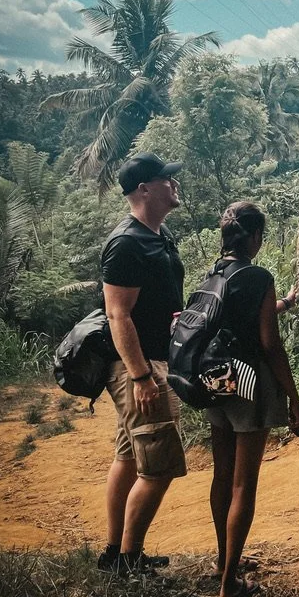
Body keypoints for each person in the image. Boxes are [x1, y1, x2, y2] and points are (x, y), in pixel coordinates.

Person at [206, 200, 299, 597]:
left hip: (216, 384)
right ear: (254, 237)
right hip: (249, 387)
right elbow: (269, 343)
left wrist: (284, 304)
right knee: (244, 485)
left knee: (221, 477)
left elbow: (235, 321)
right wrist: (294, 399)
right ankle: (231, 584)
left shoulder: (214, 272)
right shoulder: (259, 276)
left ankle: (222, 561)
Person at [98, 153, 187, 575]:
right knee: (160, 463)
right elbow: (118, 314)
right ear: (143, 190)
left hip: (154, 360)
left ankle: (115, 552)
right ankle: (129, 563)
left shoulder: (158, 233)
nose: (173, 184)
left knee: (129, 457)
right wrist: (142, 377)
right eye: (165, 179)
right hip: (141, 367)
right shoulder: (127, 242)